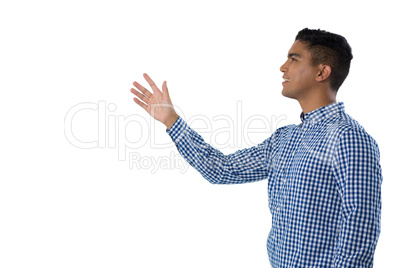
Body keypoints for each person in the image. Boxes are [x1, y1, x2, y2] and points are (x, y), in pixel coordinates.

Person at [130, 28, 382, 267]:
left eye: (293, 59)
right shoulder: (284, 139)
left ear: (321, 72)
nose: (282, 67)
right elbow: (221, 169)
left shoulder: (349, 139)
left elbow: (360, 226)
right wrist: (170, 119)